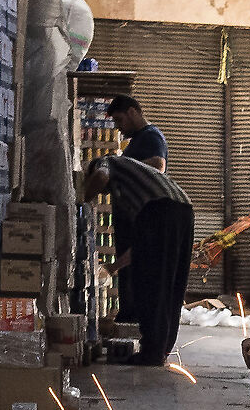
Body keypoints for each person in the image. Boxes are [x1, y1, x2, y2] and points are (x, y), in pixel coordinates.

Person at [82, 153, 193, 366]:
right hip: (184, 208)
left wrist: (81, 200)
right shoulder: (136, 179)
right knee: (171, 282)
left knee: (150, 282)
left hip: (161, 208)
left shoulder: (108, 161)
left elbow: (102, 176)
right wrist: (113, 267)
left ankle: (152, 352)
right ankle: (162, 348)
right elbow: (139, 248)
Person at [107, 94, 169, 170]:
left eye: (119, 120)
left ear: (131, 112)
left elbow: (159, 165)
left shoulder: (150, 135)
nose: (117, 126)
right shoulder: (138, 137)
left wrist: (121, 165)